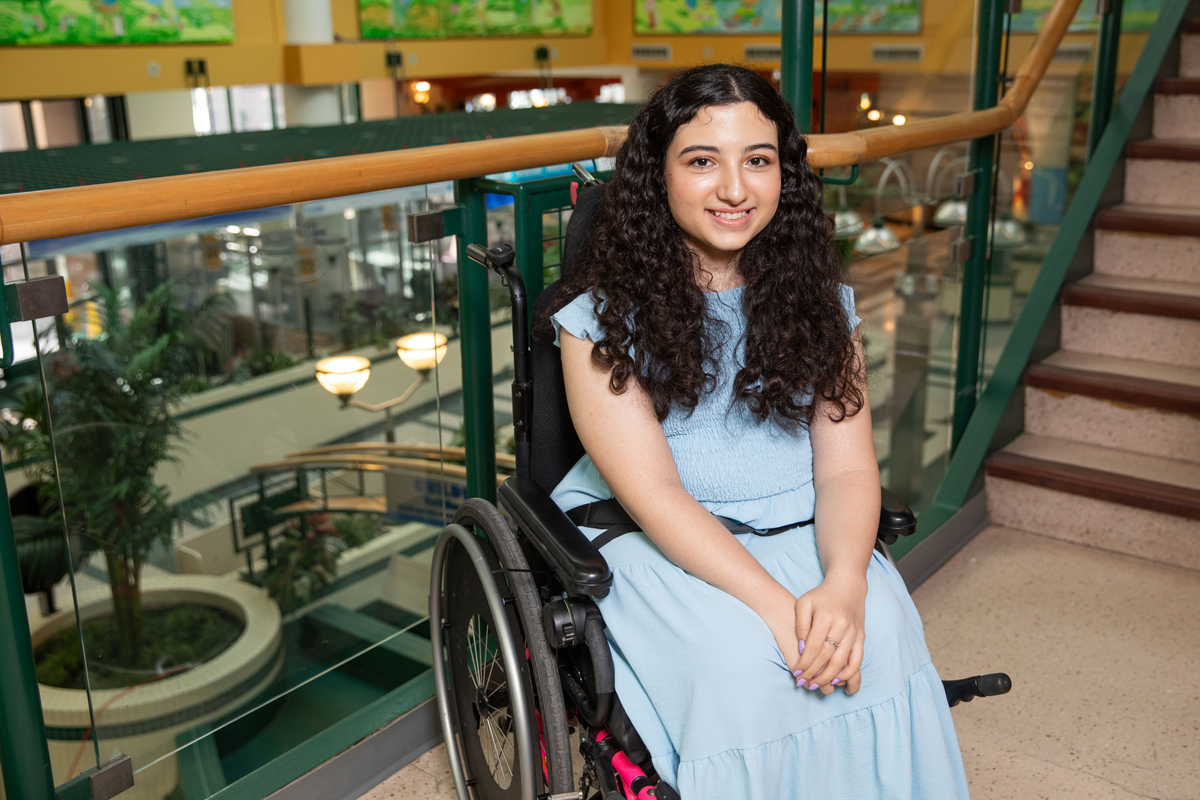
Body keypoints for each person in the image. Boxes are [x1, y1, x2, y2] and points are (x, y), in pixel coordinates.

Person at [545, 64, 970, 798]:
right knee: (745, 664)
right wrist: (778, 607)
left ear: (785, 175)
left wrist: (843, 585)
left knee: (888, 634)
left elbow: (844, 469)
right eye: (703, 161)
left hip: (797, 513)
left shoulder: (822, 305)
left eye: (759, 161)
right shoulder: (598, 321)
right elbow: (654, 493)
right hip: (656, 528)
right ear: (660, 177)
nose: (736, 190)